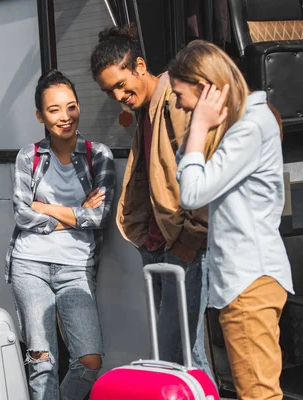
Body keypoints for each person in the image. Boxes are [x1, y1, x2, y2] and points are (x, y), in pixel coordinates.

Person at [171, 40, 294, 400]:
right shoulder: (247, 124)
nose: (178, 104)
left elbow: (192, 194)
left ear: (203, 86)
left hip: (248, 282)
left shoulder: (250, 127)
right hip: (249, 280)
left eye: (180, 95)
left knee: (258, 394)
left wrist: (198, 128)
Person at [89, 25, 213, 377]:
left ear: (140, 66)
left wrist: (190, 241)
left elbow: (200, 175)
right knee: (175, 354)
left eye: (120, 85)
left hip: (181, 247)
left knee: (186, 356)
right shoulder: (147, 108)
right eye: (108, 91)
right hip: (159, 245)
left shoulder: (175, 101)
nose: (117, 96)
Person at [4, 69, 115, 400]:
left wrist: (49, 208)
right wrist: (78, 213)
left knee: (89, 361)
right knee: (42, 362)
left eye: (71, 107)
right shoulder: (29, 156)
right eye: (54, 110)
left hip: (76, 269)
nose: (65, 117)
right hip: (29, 264)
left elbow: (100, 216)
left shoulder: (99, 155)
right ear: (40, 115)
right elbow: (23, 214)